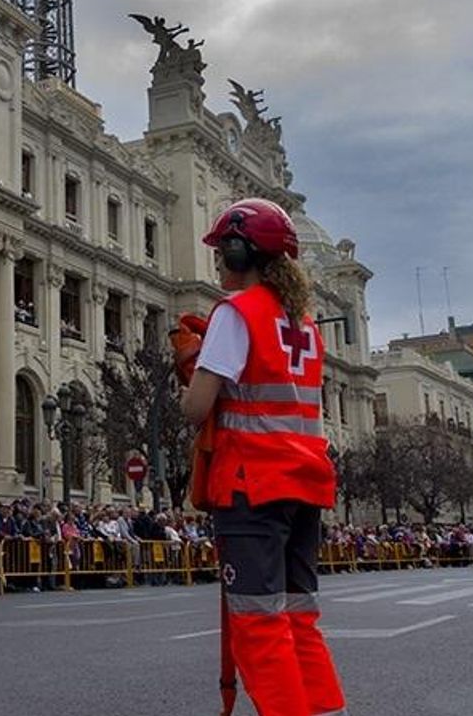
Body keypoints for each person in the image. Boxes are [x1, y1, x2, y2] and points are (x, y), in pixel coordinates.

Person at [178, 198, 345, 716]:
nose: (216, 261)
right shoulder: (306, 325)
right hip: (306, 483)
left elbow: (195, 408)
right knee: (299, 618)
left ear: (237, 249)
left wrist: (191, 364)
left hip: (253, 484)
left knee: (259, 626)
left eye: (220, 250)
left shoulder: (236, 313)